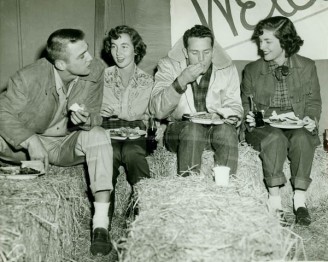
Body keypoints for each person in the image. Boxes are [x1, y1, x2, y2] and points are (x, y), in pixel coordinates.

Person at [0, 29, 114, 256]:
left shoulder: (95, 70)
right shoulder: (28, 77)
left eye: (87, 51)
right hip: (30, 146)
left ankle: (101, 224)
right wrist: (29, 140)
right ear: (61, 64)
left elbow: (96, 115)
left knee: (99, 135)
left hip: (67, 144)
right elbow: (2, 111)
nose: (90, 58)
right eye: (81, 56)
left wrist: (87, 120)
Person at [241, 16, 322, 226]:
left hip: (296, 124)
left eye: (268, 41)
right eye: (260, 40)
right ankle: (275, 201)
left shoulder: (307, 66)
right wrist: (249, 117)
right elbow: (245, 105)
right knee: (274, 137)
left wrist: (311, 120)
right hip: (264, 127)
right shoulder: (251, 70)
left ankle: (300, 202)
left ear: (284, 42)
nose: (261, 46)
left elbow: (313, 102)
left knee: (304, 138)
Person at [150, 24, 243, 176]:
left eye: (206, 52)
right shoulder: (168, 65)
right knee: (194, 130)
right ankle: (189, 187)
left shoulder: (227, 68)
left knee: (227, 131)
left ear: (213, 51)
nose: (201, 59)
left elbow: (234, 105)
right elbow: (157, 111)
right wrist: (181, 81)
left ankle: (227, 187)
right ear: (185, 52)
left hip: (216, 130)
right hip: (180, 132)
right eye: (194, 53)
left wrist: (230, 116)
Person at [101, 25, 161, 225]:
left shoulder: (147, 81)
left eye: (125, 46)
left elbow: (147, 114)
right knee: (106, 158)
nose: (118, 53)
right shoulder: (102, 77)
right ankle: (102, 223)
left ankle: (143, 216)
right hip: (107, 128)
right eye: (114, 46)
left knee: (133, 153)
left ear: (136, 49)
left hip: (136, 130)